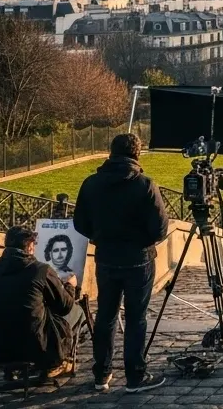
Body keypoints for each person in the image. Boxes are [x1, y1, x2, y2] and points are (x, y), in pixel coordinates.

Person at [73, 133, 171, 393]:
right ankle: (135, 376)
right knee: (136, 318)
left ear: (111, 152)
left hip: (106, 256)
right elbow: (161, 229)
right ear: (136, 154)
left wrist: (99, 236)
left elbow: (79, 223)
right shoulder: (144, 185)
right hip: (139, 259)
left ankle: (101, 373)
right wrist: (142, 240)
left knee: (105, 316)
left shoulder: (91, 183)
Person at [0, 226, 84, 380]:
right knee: (78, 312)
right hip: (35, 345)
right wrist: (70, 287)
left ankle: (13, 368)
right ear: (30, 246)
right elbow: (64, 306)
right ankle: (59, 361)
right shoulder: (41, 270)